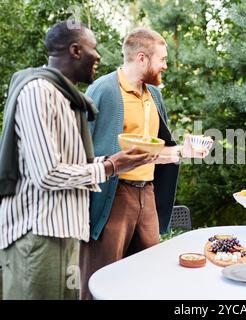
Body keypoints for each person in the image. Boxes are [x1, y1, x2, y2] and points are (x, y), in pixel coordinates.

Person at [0, 21, 154, 299]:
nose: (99, 56)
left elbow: (70, 162)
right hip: (39, 234)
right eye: (93, 48)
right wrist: (110, 167)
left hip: (65, 231)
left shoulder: (68, 98)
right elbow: (47, 174)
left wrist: (113, 160)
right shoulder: (38, 92)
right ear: (75, 50)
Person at [79, 27, 210, 300]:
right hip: (114, 196)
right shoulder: (103, 90)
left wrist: (182, 152)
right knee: (103, 274)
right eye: (161, 59)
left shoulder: (154, 95)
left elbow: (153, 150)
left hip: (146, 194)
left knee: (150, 271)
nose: (165, 65)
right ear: (141, 58)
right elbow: (80, 150)